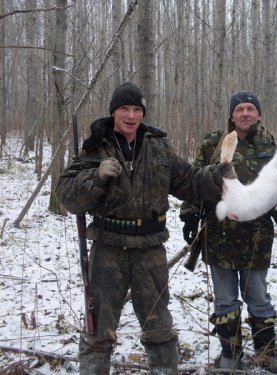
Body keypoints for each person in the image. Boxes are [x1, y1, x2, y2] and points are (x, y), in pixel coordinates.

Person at [56, 82, 231, 375]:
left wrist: (219, 176)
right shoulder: (96, 147)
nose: (131, 115)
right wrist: (96, 177)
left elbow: (189, 182)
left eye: (137, 109)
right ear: (113, 111)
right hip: (108, 250)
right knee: (98, 329)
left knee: (159, 326)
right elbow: (67, 196)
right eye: (124, 108)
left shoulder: (158, 146)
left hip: (149, 250)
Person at [180, 90, 277, 372]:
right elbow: (194, 181)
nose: (245, 113)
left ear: (258, 114)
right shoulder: (214, 142)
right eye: (240, 109)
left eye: (250, 109)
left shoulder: (269, 145)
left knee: (258, 297)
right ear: (232, 115)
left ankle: (266, 352)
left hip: (257, 237)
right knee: (225, 300)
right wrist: (188, 216)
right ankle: (231, 354)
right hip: (219, 235)